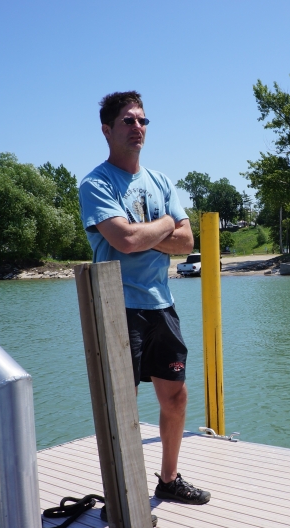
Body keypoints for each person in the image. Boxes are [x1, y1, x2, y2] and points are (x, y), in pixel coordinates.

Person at [78, 91, 209, 505]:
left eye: (142, 121)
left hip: (161, 305)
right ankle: (122, 497)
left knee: (176, 395)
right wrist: (167, 223)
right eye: (128, 121)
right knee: (123, 408)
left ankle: (168, 480)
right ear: (107, 130)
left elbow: (187, 243)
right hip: (117, 307)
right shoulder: (96, 183)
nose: (138, 128)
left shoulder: (161, 181)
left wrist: (155, 234)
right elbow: (125, 239)